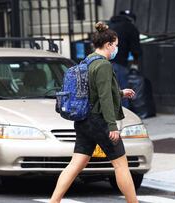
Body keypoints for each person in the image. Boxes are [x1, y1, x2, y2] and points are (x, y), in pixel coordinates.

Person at [50, 22, 138, 203]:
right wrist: (112, 125)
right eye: (116, 44)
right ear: (108, 45)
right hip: (100, 120)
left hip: (83, 120)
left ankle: (54, 201)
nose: (117, 48)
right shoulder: (104, 65)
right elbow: (104, 97)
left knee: (75, 164)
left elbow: (93, 92)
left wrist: (121, 93)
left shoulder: (88, 61)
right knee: (121, 165)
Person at [108, 10, 141, 108]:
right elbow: (136, 49)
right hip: (119, 63)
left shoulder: (109, 25)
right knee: (123, 92)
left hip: (102, 62)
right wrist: (135, 64)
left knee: (107, 91)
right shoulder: (130, 27)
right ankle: (124, 117)